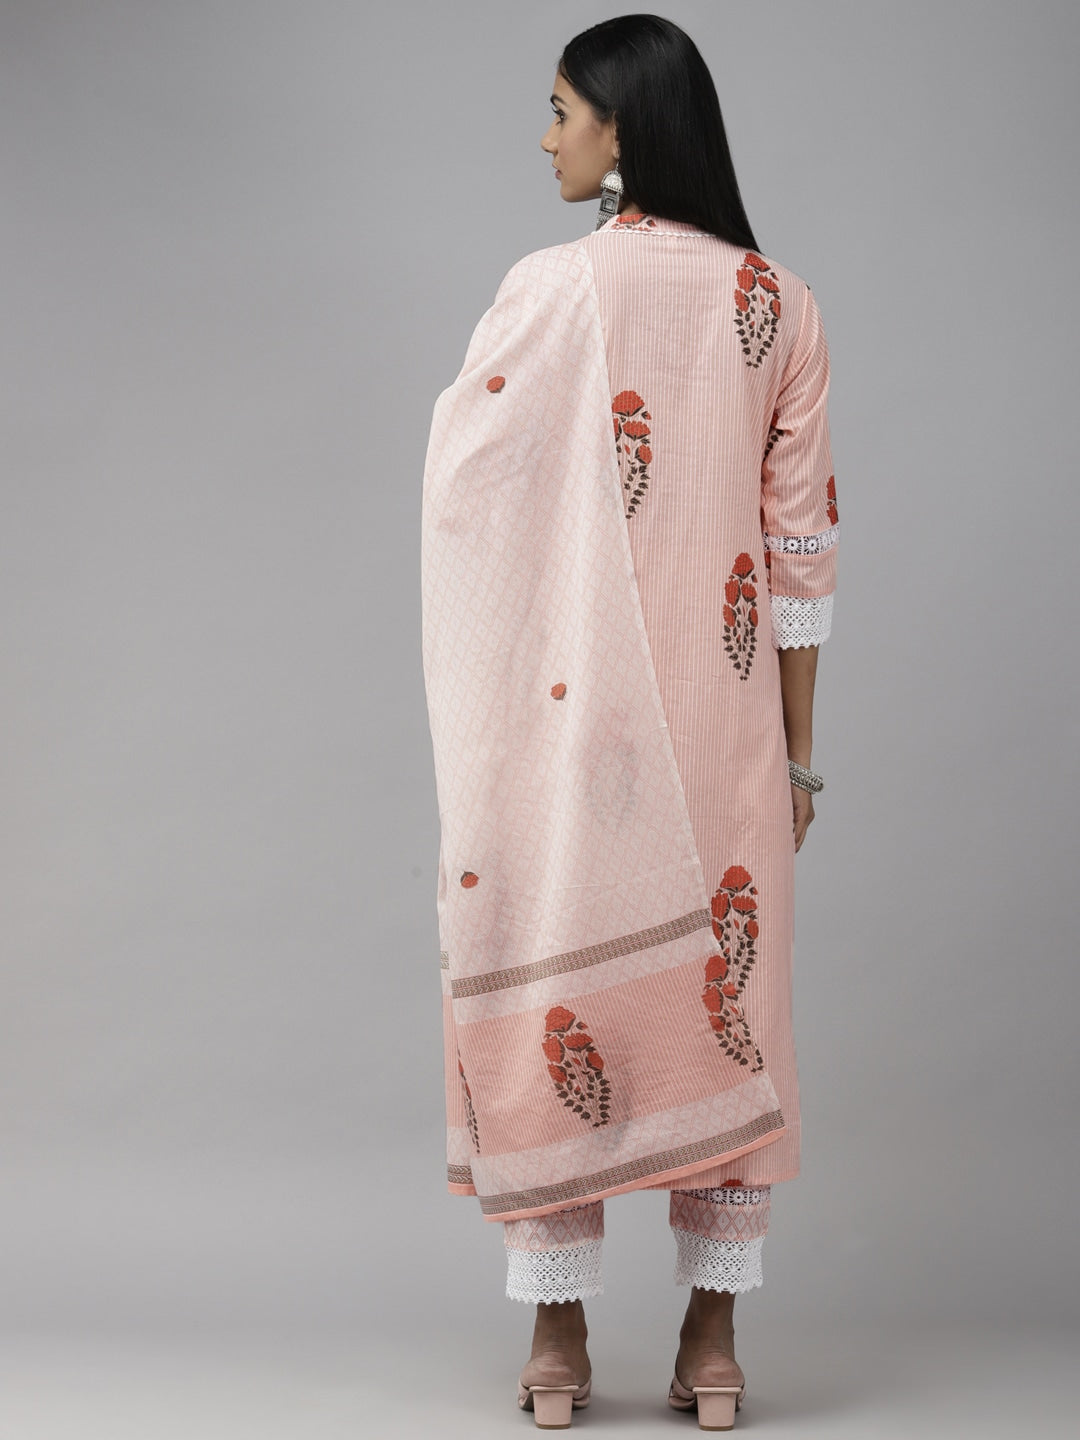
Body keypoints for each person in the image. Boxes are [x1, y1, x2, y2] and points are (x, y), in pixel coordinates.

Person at [420, 14, 838, 1430]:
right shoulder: (781, 302)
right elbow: (801, 556)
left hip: (570, 736)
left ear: (621, 130)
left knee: (566, 993)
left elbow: (471, 496)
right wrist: (796, 759)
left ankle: (560, 1342)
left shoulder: (548, 291)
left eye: (559, 110)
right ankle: (712, 1346)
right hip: (727, 739)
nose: (543, 137)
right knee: (734, 1014)